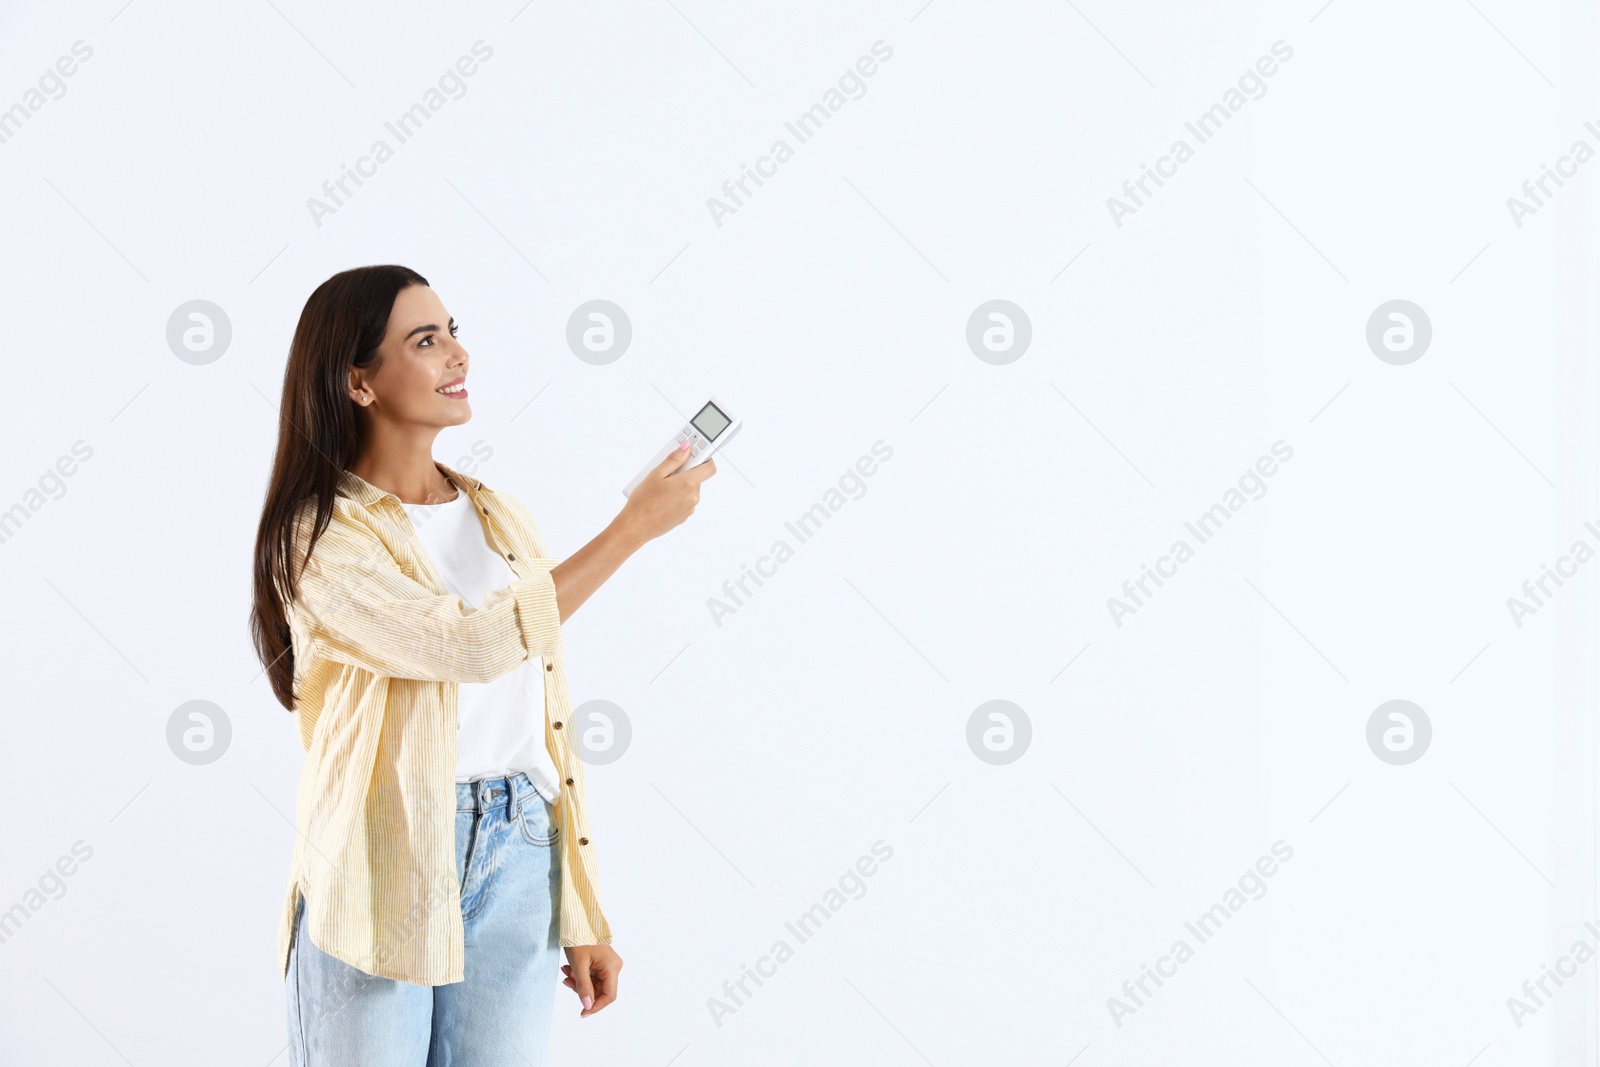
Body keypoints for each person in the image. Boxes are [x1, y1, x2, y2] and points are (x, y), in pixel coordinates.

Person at [248, 264, 715, 1065]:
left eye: (454, 331)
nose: (456, 354)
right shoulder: (320, 535)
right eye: (425, 340)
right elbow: (464, 647)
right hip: (378, 860)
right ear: (358, 382)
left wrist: (583, 909)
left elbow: (545, 723)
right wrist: (630, 529)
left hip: (523, 843)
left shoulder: (499, 514)